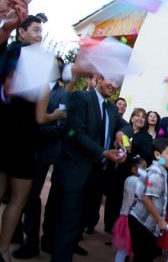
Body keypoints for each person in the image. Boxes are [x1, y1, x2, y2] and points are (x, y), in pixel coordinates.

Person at [0, 15, 65, 262]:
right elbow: (40, 117)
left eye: (41, 31)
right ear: (22, 33)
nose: (40, 35)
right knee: (18, 199)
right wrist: (57, 114)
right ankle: (4, 249)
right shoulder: (39, 62)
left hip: (4, 133)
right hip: (24, 138)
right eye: (36, 30)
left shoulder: (8, 54)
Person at [46, 72, 128, 261]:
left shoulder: (111, 109)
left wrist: (121, 134)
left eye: (117, 82)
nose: (113, 85)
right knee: (67, 223)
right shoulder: (81, 98)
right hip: (74, 172)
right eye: (111, 79)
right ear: (99, 78)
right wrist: (103, 152)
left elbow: (127, 126)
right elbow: (77, 133)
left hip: (94, 177)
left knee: (77, 224)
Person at [12, 59, 71, 260]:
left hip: (43, 152)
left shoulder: (63, 94)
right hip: (25, 149)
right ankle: (17, 231)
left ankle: (31, 242)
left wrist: (36, 130)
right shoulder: (33, 88)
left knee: (32, 196)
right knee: (19, 195)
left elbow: (61, 126)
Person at [129, 137, 168, 262]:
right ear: (157, 154)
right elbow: (146, 198)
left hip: (144, 222)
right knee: (143, 257)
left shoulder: (161, 171)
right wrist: (159, 220)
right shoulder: (157, 174)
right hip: (142, 223)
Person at [112, 156, 147, 262]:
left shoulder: (132, 180)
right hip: (128, 218)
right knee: (124, 248)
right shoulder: (134, 181)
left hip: (128, 217)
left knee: (126, 249)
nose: (146, 170)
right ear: (134, 169)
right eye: (144, 167)